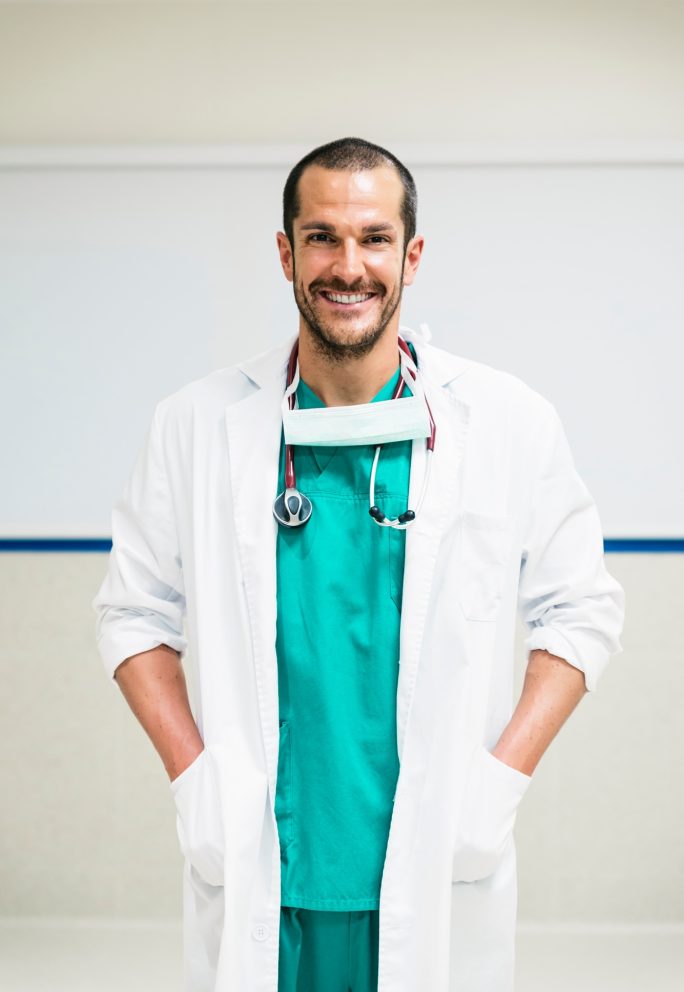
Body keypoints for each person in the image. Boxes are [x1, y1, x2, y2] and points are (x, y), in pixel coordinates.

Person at [92, 136, 625, 992]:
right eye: (322, 237)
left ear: (412, 255)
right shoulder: (196, 425)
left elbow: (584, 611)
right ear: (285, 252)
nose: (350, 266)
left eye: (375, 238)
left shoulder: (506, 422)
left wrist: (497, 783)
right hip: (268, 866)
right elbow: (132, 613)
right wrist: (196, 780)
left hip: (440, 858)